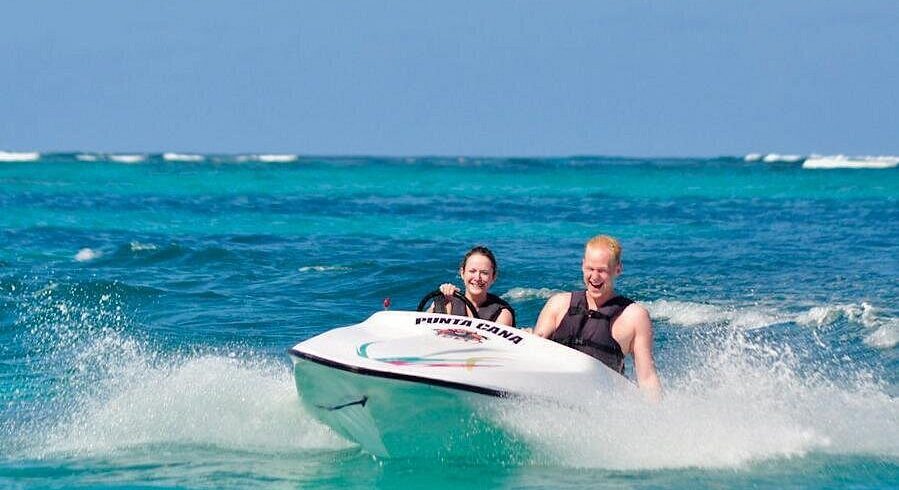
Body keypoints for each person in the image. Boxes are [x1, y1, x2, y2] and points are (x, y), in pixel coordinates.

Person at [534, 235, 662, 398]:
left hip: (600, 403)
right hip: (552, 392)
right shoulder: (558, 304)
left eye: (602, 271)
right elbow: (536, 347)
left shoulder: (635, 316)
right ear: (582, 265)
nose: (594, 277)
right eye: (590, 269)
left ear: (618, 269)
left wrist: (656, 414)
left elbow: (647, 377)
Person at [428, 246, 516, 327]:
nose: (477, 278)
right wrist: (442, 304)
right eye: (472, 271)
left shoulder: (502, 314)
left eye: (484, 273)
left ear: (493, 277)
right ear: (462, 273)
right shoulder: (446, 303)